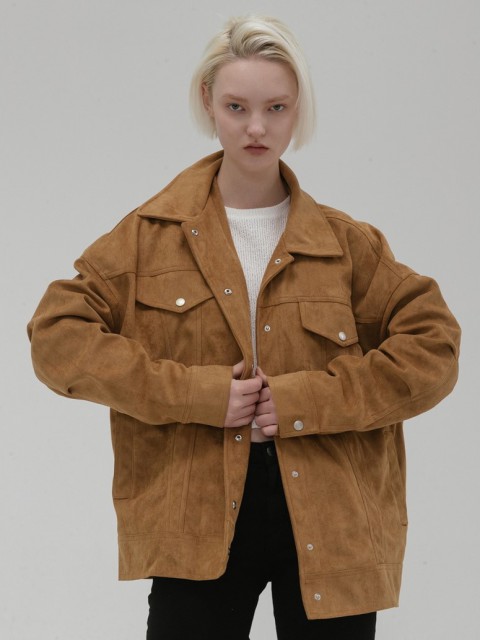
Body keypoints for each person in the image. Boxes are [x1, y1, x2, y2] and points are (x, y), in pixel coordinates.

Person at [28, 14, 460, 640]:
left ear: (297, 109)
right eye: (237, 106)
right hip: (194, 514)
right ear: (209, 101)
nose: (257, 128)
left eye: (276, 107)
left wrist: (306, 401)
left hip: (333, 516)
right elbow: (56, 336)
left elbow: (434, 347)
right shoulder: (148, 236)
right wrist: (198, 394)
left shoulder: (347, 246)